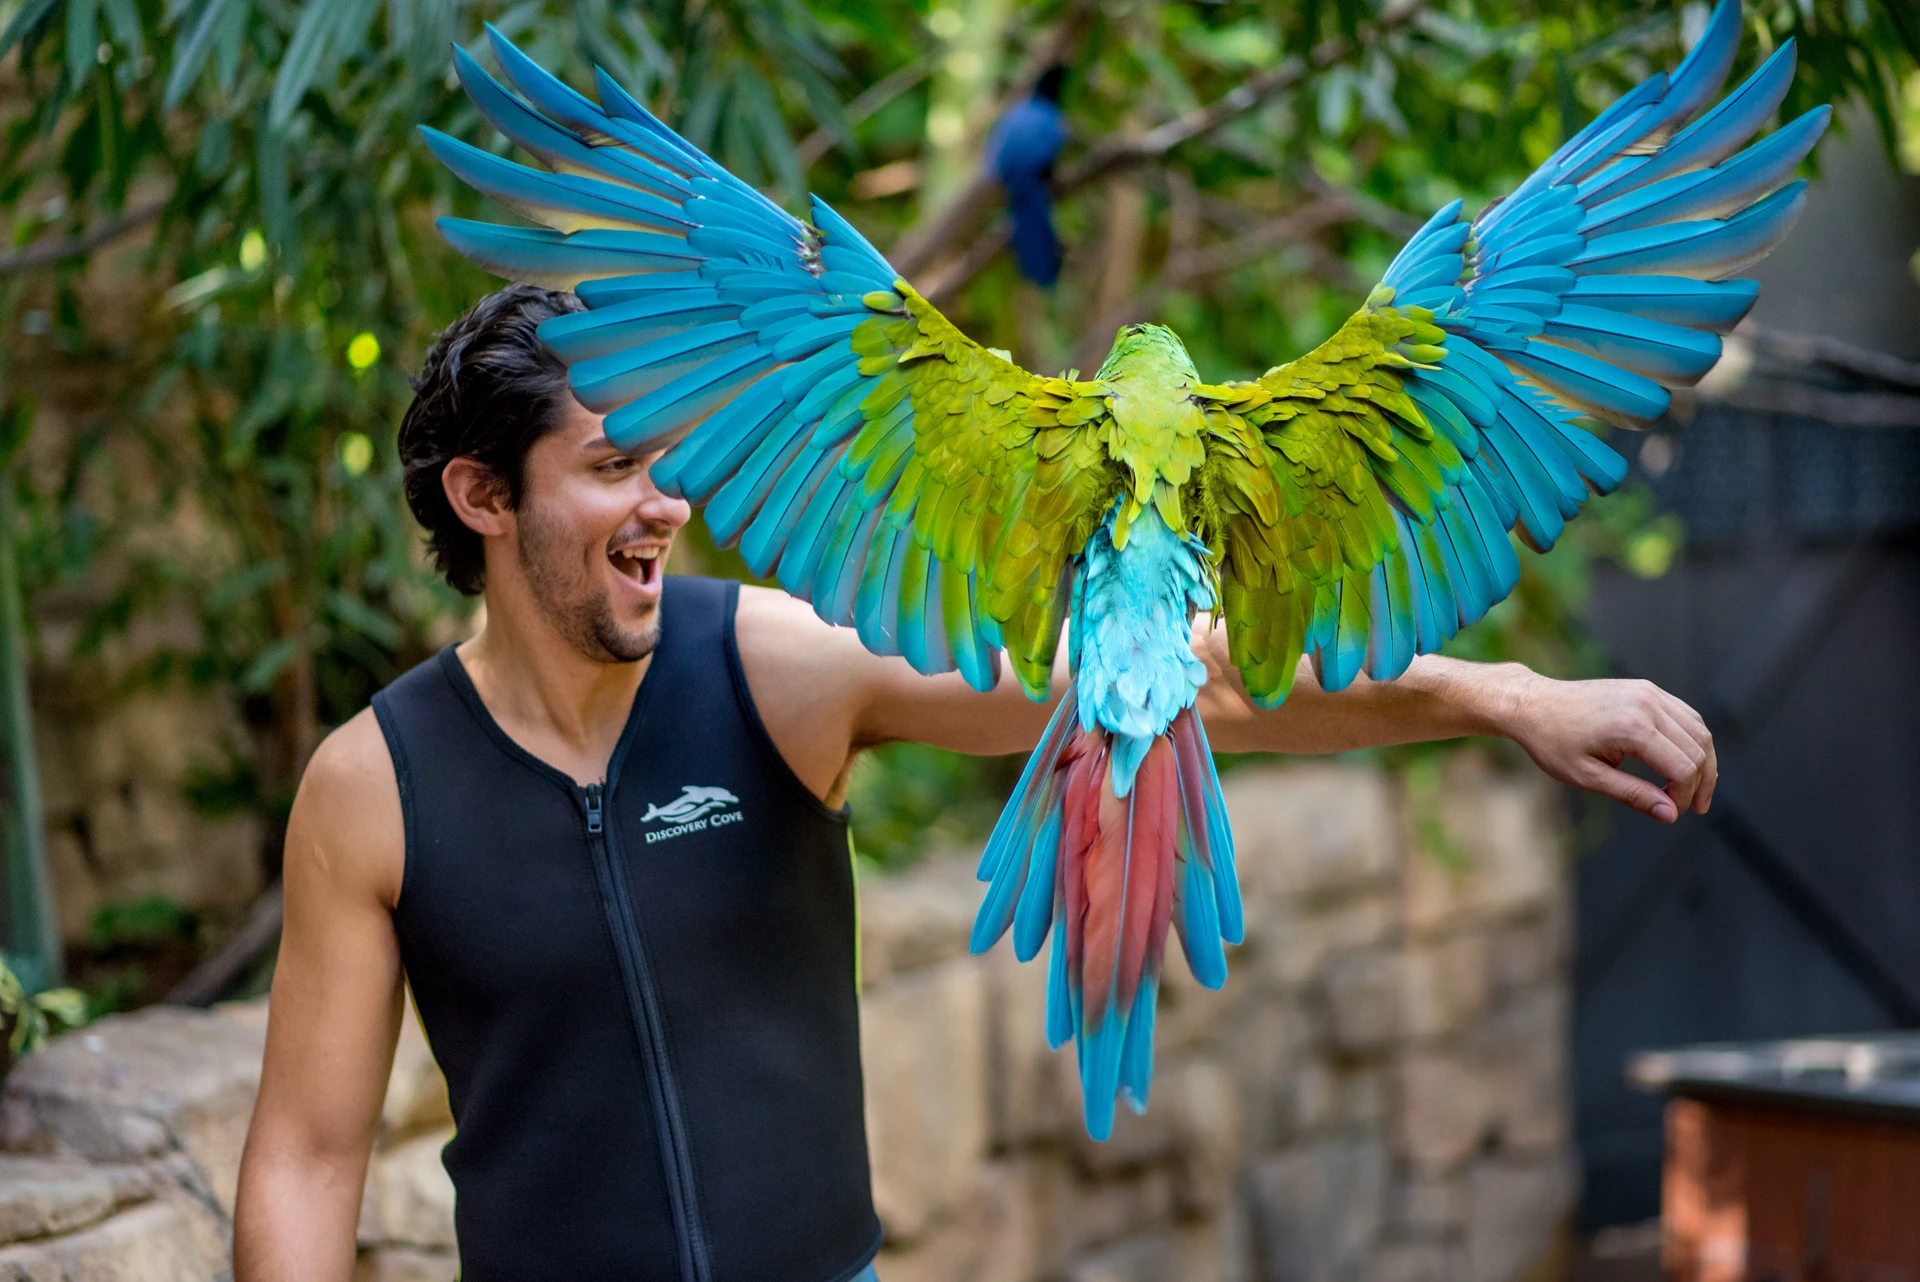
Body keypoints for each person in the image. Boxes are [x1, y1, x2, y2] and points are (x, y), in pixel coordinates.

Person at [232, 285, 1716, 1282]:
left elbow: (1175, 679)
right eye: (613, 466)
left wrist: (1505, 694)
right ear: (484, 498)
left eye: (670, 458)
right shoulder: (373, 785)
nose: (667, 500)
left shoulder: (777, 668)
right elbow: (305, 1157)